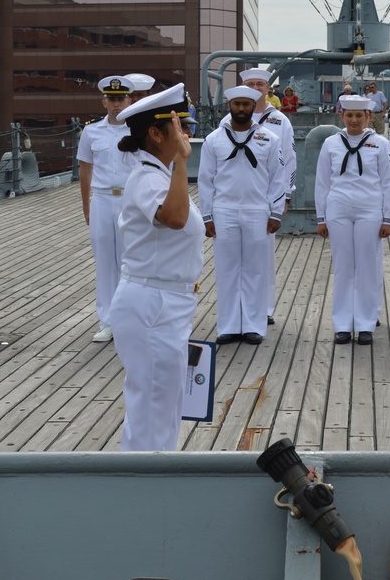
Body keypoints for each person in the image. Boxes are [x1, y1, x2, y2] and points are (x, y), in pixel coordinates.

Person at [109, 83, 204, 451]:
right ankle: (143, 494)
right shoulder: (148, 177)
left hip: (166, 303)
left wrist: (177, 164)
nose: (188, 133)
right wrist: (182, 160)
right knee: (152, 409)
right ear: (155, 133)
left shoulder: (161, 175)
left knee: (163, 406)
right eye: (181, 126)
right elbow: (176, 218)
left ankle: (154, 487)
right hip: (152, 303)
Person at [201, 86, 287, 345]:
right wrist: (207, 216)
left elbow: (277, 179)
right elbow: (205, 180)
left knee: (255, 270)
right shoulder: (214, 139)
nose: (241, 109)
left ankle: (253, 324)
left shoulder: (269, 139)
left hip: (257, 210)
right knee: (227, 270)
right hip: (224, 210)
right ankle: (228, 326)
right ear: (229, 105)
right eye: (236, 104)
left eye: (246, 104)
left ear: (253, 106)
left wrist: (275, 213)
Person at [314, 94, 390, 345]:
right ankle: (342, 323)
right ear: (342, 116)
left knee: (367, 268)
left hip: (369, 208)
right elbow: (322, 181)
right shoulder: (331, 143)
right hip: (338, 208)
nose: (354, 120)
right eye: (349, 115)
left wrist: (387, 217)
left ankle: (365, 323)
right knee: (343, 267)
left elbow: (387, 182)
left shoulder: (380, 144)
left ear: (368, 117)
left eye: (359, 115)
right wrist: (321, 217)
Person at [220, 68, 296, 326]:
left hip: (266, 199)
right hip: (233, 199)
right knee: (233, 261)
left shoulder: (279, 120)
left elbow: (289, 160)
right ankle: (238, 309)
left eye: (260, 84)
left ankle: (264, 308)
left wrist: (285, 196)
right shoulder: (226, 122)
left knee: (263, 259)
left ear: (267, 88)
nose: (255, 87)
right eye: (250, 83)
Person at [77, 75, 135, 342]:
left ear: (130, 99)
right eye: (112, 99)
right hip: (101, 198)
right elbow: (85, 169)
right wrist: (86, 205)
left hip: (131, 199)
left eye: (121, 99)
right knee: (104, 262)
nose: (117, 104)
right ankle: (108, 321)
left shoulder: (138, 130)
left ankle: (130, 319)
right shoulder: (91, 132)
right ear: (104, 101)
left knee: (130, 260)